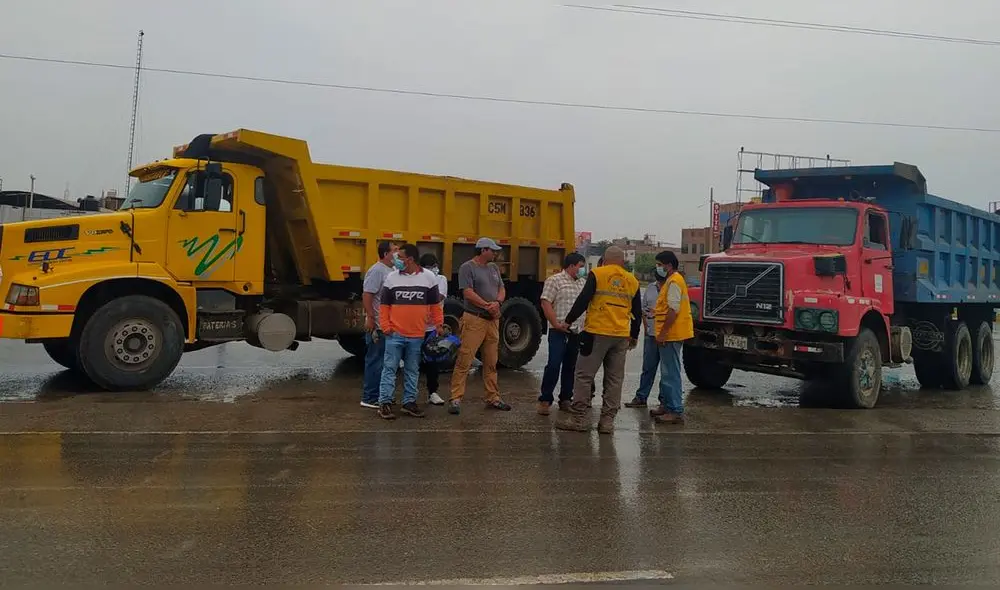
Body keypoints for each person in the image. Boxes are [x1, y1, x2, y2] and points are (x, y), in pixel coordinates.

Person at [555, 246, 641, 434]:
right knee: (614, 379)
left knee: (584, 376)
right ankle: (607, 422)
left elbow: (583, 300)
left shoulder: (598, 274)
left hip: (596, 333)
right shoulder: (632, 280)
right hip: (620, 336)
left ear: (605, 259)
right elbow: (637, 311)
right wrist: (634, 336)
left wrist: (568, 321)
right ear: (622, 261)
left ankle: (579, 419)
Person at [377, 243, 444, 420]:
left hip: (417, 335)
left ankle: (409, 402)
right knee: (389, 369)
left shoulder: (429, 278)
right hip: (395, 334)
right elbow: (384, 306)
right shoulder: (391, 278)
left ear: (411, 260)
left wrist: (439, 325)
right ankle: (385, 403)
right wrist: (386, 327)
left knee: (412, 370)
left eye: (400, 257)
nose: (396, 260)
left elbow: (435, 306)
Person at [449, 237, 510, 415]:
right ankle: (456, 398)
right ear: (483, 250)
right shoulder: (467, 267)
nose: (496, 253)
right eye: (493, 250)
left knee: (491, 361)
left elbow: (502, 288)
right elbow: (467, 293)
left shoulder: (494, 268)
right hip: (474, 318)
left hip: (492, 320)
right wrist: (486, 305)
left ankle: (493, 397)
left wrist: (497, 303)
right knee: (465, 359)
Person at [537, 252, 588, 415]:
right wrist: (556, 324)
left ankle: (566, 398)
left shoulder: (583, 283)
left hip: (576, 331)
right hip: (558, 331)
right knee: (553, 364)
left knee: (571, 366)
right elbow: (546, 303)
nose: (582, 270)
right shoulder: (555, 281)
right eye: (580, 266)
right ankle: (545, 399)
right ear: (571, 266)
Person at [651, 250, 694, 425]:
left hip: (671, 334)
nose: (658, 268)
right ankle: (667, 405)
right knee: (667, 372)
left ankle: (675, 410)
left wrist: (662, 333)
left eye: (660, 264)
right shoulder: (671, 281)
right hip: (670, 333)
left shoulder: (674, 281)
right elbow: (667, 308)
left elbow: (673, 310)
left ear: (668, 265)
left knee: (671, 374)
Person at [361, 241, 399, 409]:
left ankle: (383, 395)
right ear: (385, 254)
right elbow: (368, 294)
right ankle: (370, 397)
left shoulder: (391, 271)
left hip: (389, 325)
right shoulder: (377, 270)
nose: (398, 254)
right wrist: (370, 317)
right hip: (378, 325)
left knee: (386, 363)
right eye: (395, 250)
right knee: (375, 361)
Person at [624, 267, 669, 408]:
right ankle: (641, 398)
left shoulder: (672, 288)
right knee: (648, 367)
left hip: (667, 336)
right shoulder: (650, 288)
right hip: (650, 334)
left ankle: (664, 401)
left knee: (666, 370)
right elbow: (642, 310)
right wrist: (646, 328)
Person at [419, 252, 448, 406]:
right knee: (413, 362)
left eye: (435, 266)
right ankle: (411, 395)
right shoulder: (417, 280)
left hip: (431, 328)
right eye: (429, 267)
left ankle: (433, 392)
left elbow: (438, 298)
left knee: (432, 362)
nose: (433, 269)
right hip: (416, 328)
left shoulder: (441, 279)